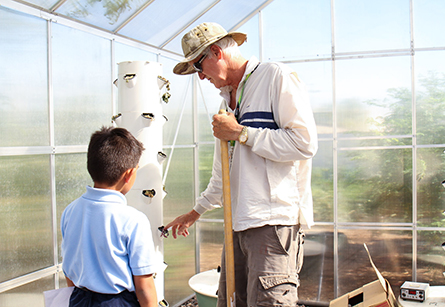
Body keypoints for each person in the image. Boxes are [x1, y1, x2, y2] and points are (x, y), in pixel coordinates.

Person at [166, 22, 318, 307]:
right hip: (237, 224)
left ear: (215, 53)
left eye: (199, 67)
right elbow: (224, 175)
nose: (200, 77)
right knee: (231, 302)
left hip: (273, 223)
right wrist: (193, 213)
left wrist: (242, 133)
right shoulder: (226, 105)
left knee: (268, 302)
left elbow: (304, 143)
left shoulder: (275, 77)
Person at [61, 126, 158, 307]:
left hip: (79, 298)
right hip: (117, 302)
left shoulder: (70, 211)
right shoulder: (134, 220)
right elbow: (144, 287)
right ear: (129, 174)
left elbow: (68, 271)